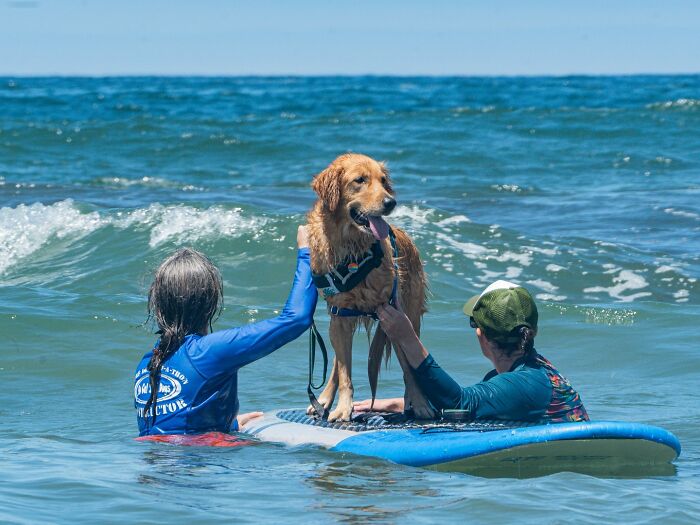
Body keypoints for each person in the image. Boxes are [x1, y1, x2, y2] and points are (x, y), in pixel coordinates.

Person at [134, 225, 316, 436]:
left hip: (151, 463)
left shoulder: (147, 363)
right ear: (209, 302)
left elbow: (172, 430)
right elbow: (297, 319)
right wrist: (307, 251)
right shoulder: (207, 352)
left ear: (159, 305)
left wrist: (230, 425)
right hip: (196, 463)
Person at [355, 280, 589, 423]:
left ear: (482, 335)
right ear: (532, 331)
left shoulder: (526, 382)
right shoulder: (525, 373)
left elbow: (460, 402)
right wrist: (387, 404)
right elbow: (457, 406)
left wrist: (406, 337)